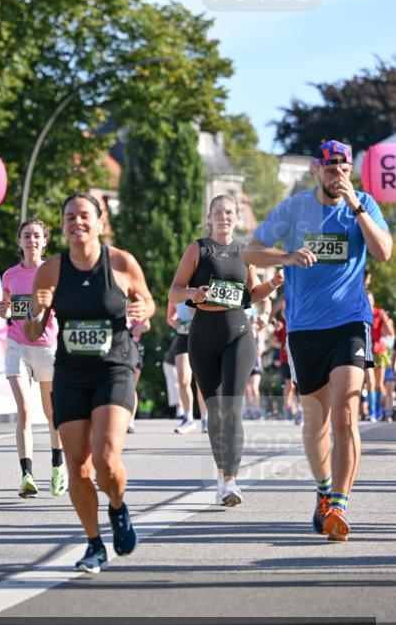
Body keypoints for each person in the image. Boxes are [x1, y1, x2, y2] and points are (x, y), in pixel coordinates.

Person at [244, 140, 392, 541]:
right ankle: (324, 490)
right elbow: (251, 252)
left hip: (350, 322)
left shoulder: (363, 204)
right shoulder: (294, 209)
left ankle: (340, 504)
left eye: (343, 168)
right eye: (330, 169)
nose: (337, 175)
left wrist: (358, 208)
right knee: (316, 422)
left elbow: (383, 252)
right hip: (305, 328)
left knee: (346, 411)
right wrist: (286, 258)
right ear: (316, 170)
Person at [24, 193, 155, 573]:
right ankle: (94, 543)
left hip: (114, 367)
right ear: (63, 225)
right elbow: (32, 331)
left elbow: (146, 302)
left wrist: (142, 308)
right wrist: (37, 309)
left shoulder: (120, 262)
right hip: (71, 373)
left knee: (106, 460)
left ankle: (117, 506)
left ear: (100, 223)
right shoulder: (49, 271)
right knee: (78, 466)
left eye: (84, 216)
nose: (77, 222)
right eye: (69, 217)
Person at [169, 194, 282, 507]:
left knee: (231, 405)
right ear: (210, 216)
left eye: (230, 212)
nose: (224, 217)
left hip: (238, 334)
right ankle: (222, 474)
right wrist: (194, 292)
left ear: (237, 216)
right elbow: (174, 291)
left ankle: (230, 481)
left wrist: (272, 284)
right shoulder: (197, 249)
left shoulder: (244, 251)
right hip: (203, 336)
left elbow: (250, 295)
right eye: (218, 212)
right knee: (217, 410)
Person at [0, 219, 67, 498]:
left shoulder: (53, 271)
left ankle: (57, 466)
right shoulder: (10, 275)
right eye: (27, 236)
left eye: (37, 236)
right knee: (24, 410)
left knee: (52, 414)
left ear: (45, 241)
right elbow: (8, 311)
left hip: (47, 347)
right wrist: (4, 310)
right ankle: (26, 475)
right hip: (17, 344)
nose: (32, 241)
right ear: (19, 242)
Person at [165, 300, 208, 433]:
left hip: (203, 338)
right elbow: (170, 317)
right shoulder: (176, 293)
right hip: (183, 339)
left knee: (202, 383)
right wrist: (174, 322)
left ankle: (205, 418)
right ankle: (188, 418)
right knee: (183, 379)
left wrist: (195, 308)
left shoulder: (200, 289)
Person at [364, 291, 394, 421]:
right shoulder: (360, 313)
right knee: (370, 382)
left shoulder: (378, 313)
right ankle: (372, 413)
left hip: (379, 351)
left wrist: (385, 319)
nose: (368, 301)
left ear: (373, 301)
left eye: (370, 299)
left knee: (378, 384)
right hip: (366, 351)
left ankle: (378, 411)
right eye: (366, 299)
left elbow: (391, 333)